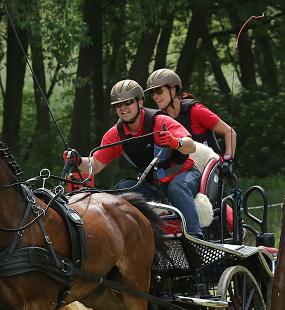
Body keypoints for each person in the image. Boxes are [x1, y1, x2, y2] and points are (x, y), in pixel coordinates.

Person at [62, 79, 204, 239]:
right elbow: (95, 165)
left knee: (177, 188)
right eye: (118, 105)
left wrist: (174, 142)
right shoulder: (115, 134)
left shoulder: (161, 121)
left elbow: (190, 146)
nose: (123, 108)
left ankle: (194, 237)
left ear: (140, 101)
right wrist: (78, 160)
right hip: (152, 185)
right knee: (124, 188)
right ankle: (132, 240)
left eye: (128, 102)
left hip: (185, 176)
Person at [146, 68, 236, 175]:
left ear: (173, 90)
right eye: (152, 93)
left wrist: (228, 160)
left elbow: (229, 132)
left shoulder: (195, 110)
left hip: (210, 172)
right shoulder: (160, 118)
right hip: (184, 171)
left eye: (159, 91)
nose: (155, 96)